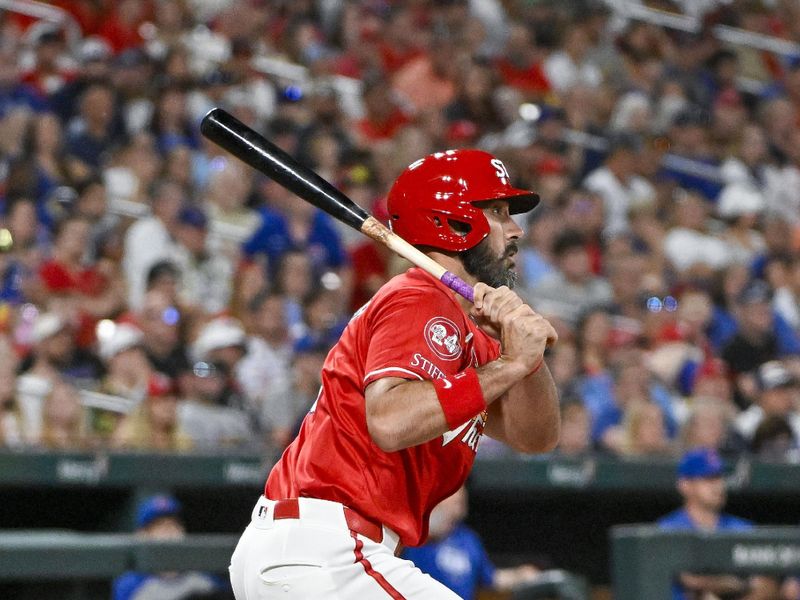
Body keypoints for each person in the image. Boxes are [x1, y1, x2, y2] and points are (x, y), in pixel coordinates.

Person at [228, 148, 560, 599]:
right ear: (456, 223)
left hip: (312, 552)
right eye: (498, 213)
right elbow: (390, 421)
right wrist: (510, 364)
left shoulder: (474, 333)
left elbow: (535, 437)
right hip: (328, 550)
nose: (516, 229)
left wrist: (528, 356)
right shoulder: (419, 298)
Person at [657, 448, 779, 600]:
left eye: (720, 477)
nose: (718, 485)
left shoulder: (742, 528)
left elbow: (766, 584)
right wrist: (733, 583)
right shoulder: (668, 528)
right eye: (708, 479)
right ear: (685, 485)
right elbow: (691, 579)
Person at [402, 486, 540, 600]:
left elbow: (490, 578)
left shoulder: (467, 538)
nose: (458, 499)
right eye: (453, 494)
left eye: (460, 495)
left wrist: (519, 575)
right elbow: (430, 530)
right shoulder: (419, 530)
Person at [112, 494, 227, 600]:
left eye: (174, 525)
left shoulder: (205, 579)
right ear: (142, 534)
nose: (169, 532)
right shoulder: (129, 585)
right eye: (159, 526)